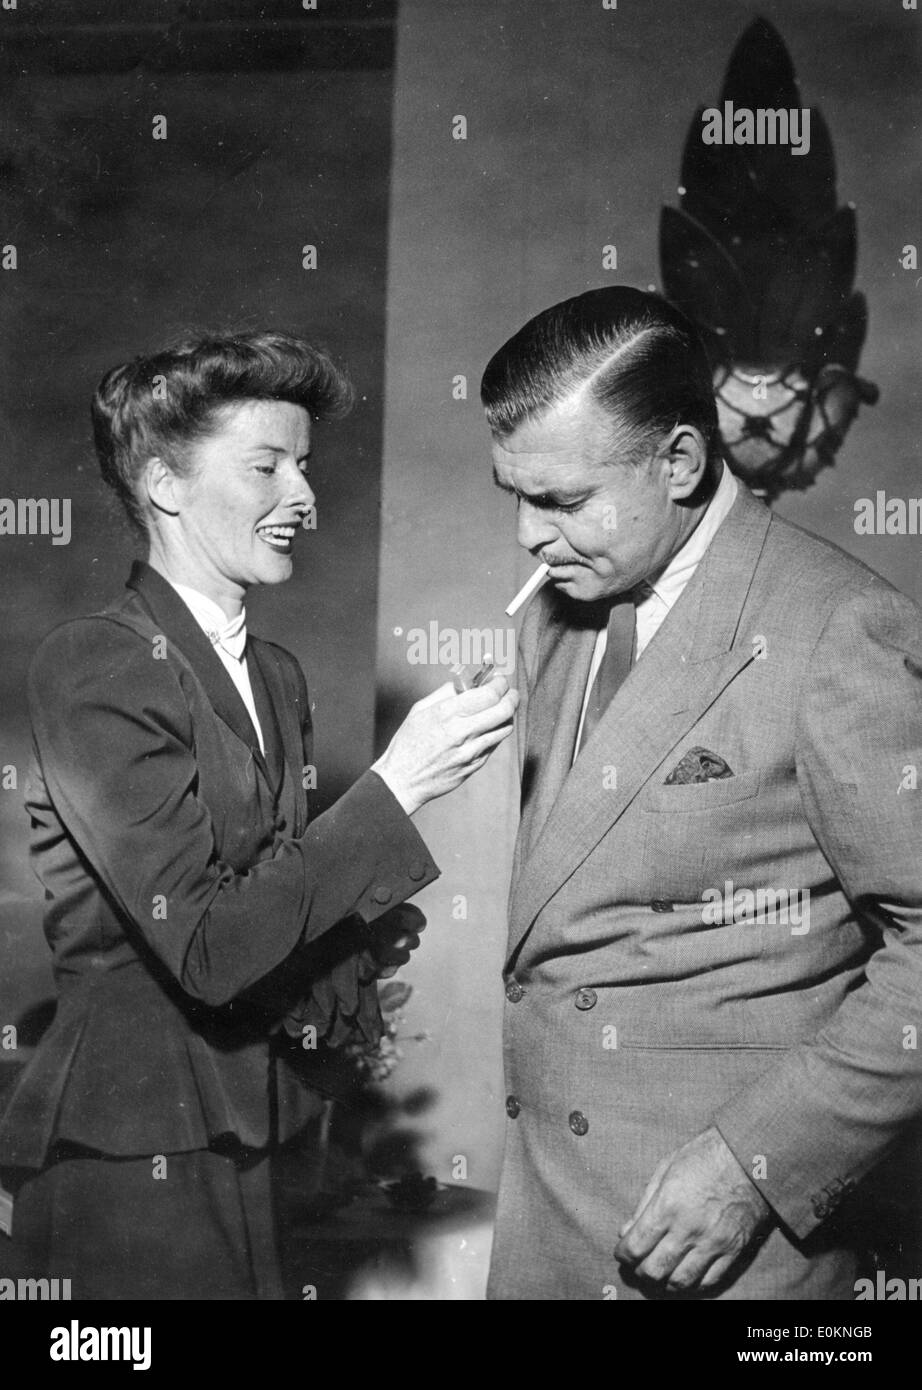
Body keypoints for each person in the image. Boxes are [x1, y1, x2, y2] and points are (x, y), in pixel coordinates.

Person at [0, 330, 517, 1300]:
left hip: (265, 1128)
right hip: (137, 1143)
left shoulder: (274, 676)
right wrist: (397, 784)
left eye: (306, 466)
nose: (304, 498)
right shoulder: (93, 664)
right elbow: (204, 947)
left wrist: (356, 946)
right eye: (267, 466)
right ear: (163, 482)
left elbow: (270, 894)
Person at [481, 286, 922, 1301]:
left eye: (560, 501)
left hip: (720, 1250)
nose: (527, 537)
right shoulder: (556, 616)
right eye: (513, 494)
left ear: (679, 462)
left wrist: (752, 1163)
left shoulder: (837, 628)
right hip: (550, 1228)